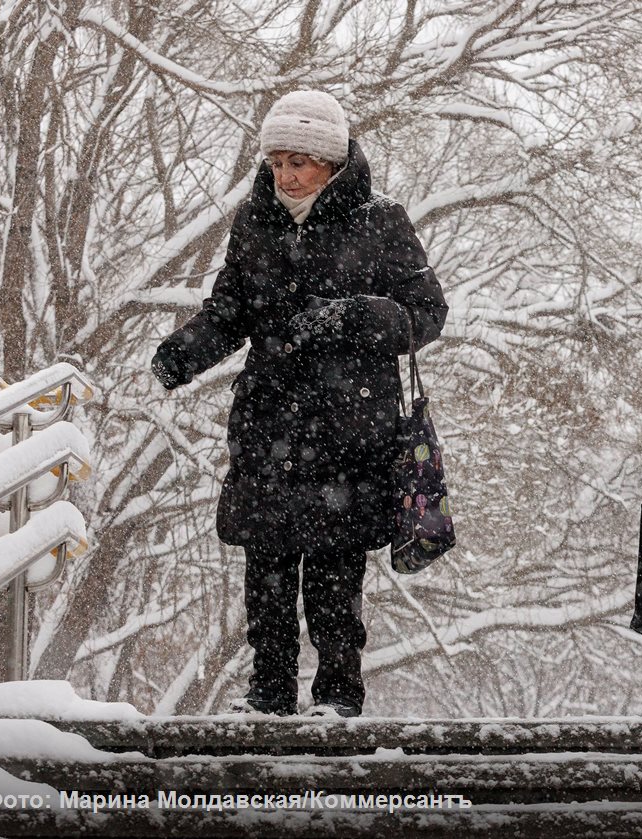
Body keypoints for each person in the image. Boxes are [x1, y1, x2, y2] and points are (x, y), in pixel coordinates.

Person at [150, 90, 448, 717]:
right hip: (269, 424)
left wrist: (356, 317)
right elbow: (231, 310)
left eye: (298, 163)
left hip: (351, 428)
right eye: (276, 161)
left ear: (332, 163)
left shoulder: (381, 221)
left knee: (336, 579)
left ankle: (338, 700)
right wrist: (181, 354)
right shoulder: (255, 220)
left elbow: (427, 314)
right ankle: (268, 697)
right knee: (268, 574)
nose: (283, 176)